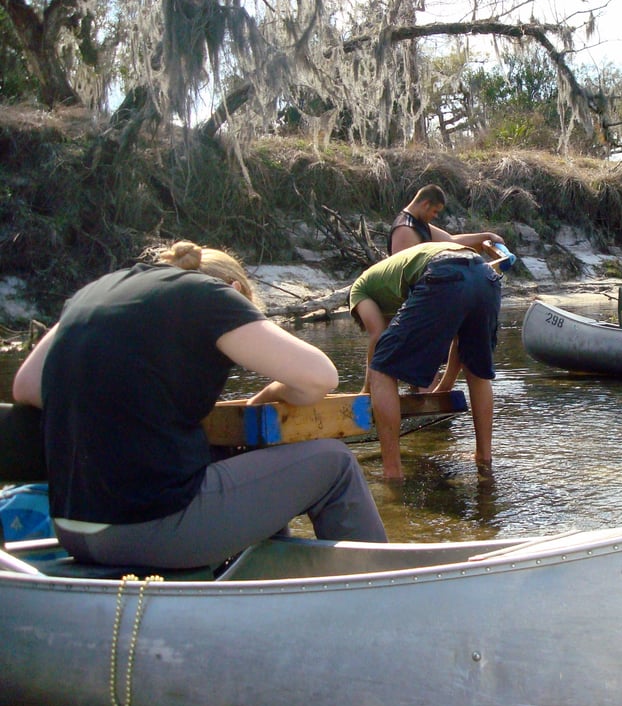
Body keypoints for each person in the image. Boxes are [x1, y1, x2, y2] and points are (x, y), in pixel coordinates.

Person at [11, 241, 387, 569]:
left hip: (73, 527)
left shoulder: (97, 290)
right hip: (151, 528)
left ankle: (259, 582)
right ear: (236, 289)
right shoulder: (211, 294)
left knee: (234, 461)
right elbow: (321, 377)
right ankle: (380, 594)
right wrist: (273, 393)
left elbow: (26, 386)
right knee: (334, 463)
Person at [350, 241, 501, 480]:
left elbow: (377, 333)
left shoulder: (359, 290)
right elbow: (459, 339)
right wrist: (445, 387)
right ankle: (484, 457)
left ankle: (392, 471)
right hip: (484, 273)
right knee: (478, 372)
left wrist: (367, 392)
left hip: (444, 272)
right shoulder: (393, 276)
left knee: (380, 368)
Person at [388, 184, 505, 393]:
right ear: (425, 204)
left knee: (459, 333)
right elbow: (401, 272)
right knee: (425, 350)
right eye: (434, 211)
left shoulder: (421, 224)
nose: (434, 216)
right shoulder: (405, 230)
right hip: (419, 299)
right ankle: (427, 398)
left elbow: (451, 241)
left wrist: (485, 237)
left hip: (432, 294)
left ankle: (439, 392)